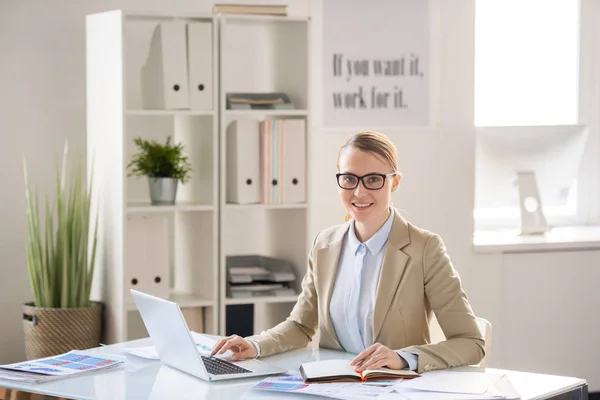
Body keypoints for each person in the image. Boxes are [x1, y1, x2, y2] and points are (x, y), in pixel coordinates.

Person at [211, 131, 484, 373]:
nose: (360, 191)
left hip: (396, 390)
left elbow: (471, 343)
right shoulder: (324, 245)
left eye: (374, 179)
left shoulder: (424, 248)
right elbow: (301, 326)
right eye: (350, 179)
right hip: (335, 386)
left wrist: (403, 358)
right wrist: (254, 345)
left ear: (395, 182)